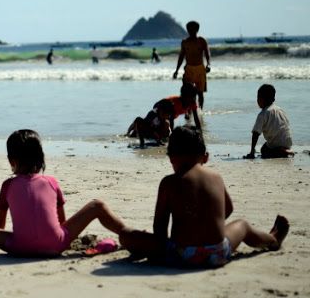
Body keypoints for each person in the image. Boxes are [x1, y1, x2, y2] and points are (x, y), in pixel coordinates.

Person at [0, 129, 127, 256]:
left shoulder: (8, 185)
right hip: (57, 244)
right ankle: (127, 234)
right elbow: (61, 222)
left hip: (19, 246)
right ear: (41, 157)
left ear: (11, 161)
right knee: (97, 206)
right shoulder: (52, 182)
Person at [119, 126, 289, 268]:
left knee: (127, 235)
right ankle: (272, 240)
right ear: (205, 157)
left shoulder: (169, 182)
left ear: (171, 158)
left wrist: (159, 251)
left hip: (182, 254)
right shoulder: (216, 177)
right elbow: (228, 209)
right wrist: (207, 227)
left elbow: (160, 227)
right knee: (243, 226)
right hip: (218, 252)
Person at [245, 84, 293, 159]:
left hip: (276, 143)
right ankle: (284, 150)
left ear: (260, 99)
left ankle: (282, 151)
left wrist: (252, 151)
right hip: (288, 142)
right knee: (265, 146)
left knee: (264, 151)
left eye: (258, 98)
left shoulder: (263, 114)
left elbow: (256, 133)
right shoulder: (280, 110)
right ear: (273, 99)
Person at [173, 21, 211, 108]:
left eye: (192, 29)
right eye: (189, 29)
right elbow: (181, 57)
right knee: (187, 91)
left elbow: (207, 53)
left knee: (200, 93)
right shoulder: (185, 42)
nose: (190, 31)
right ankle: (189, 111)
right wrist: (176, 70)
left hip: (200, 69)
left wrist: (208, 64)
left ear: (197, 30)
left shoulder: (201, 41)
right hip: (189, 69)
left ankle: (200, 111)